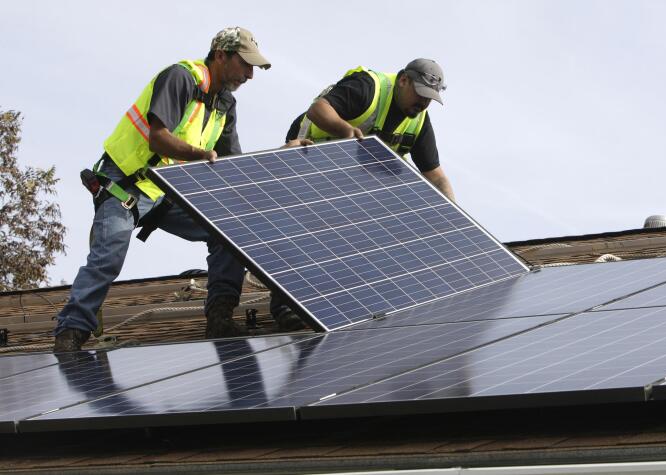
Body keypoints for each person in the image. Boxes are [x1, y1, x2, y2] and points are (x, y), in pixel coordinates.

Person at [54, 27, 306, 352]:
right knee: (108, 257)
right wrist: (199, 155)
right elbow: (157, 137)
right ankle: (71, 332)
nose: (249, 75)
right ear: (220, 56)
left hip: (168, 193)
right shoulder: (181, 78)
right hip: (125, 184)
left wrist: (283, 154)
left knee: (228, 231)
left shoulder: (224, 104)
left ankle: (219, 318)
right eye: (245, 64)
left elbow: (234, 170)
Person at [271, 59, 454, 329]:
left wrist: (451, 212)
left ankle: (349, 299)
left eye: (429, 99)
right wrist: (346, 131)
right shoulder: (369, 89)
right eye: (420, 94)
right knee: (307, 231)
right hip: (313, 159)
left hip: (354, 177)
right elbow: (318, 110)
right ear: (403, 80)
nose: (423, 103)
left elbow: (435, 175)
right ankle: (286, 304)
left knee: (370, 230)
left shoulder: (418, 120)